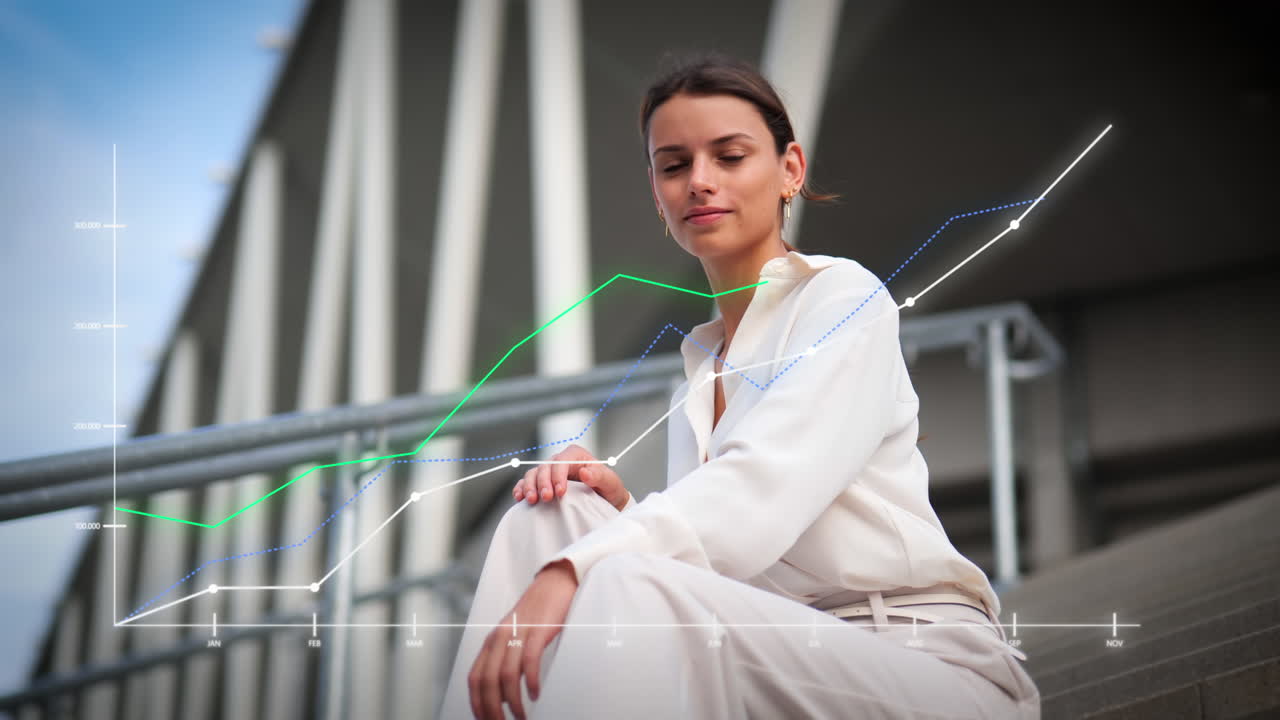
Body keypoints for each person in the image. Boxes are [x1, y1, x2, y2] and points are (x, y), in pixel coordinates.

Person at [438, 52, 1041, 719]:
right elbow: (719, 566)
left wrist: (573, 570)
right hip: (777, 656)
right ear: (657, 190)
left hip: (923, 667)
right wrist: (620, 512)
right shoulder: (699, 375)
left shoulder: (842, 298)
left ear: (790, 170)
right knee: (549, 516)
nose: (699, 182)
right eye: (674, 165)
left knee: (619, 573)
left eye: (729, 157)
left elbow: (761, 492)